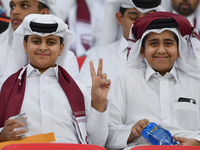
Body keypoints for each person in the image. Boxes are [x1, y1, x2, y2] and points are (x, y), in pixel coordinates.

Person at [0, 14, 110, 146]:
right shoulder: (5, 87)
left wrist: (99, 103)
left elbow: (97, 143)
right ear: (25, 45)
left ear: (61, 49)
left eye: (50, 42)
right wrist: (3, 135)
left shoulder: (78, 89)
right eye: (36, 41)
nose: (43, 47)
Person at [106, 12, 200, 150]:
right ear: (142, 51)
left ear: (179, 50)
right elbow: (107, 134)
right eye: (154, 43)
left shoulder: (196, 83)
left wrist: (197, 142)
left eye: (168, 43)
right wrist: (131, 132)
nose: (161, 50)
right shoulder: (125, 81)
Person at [79, 0, 164, 95]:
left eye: (147, 18)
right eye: (133, 18)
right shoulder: (99, 57)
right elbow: (85, 97)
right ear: (120, 18)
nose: (141, 24)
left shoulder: (166, 57)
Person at [0, 0, 79, 90]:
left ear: (44, 13)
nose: (14, 11)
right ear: (25, 45)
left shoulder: (67, 58)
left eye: (24, 5)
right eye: (12, 6)